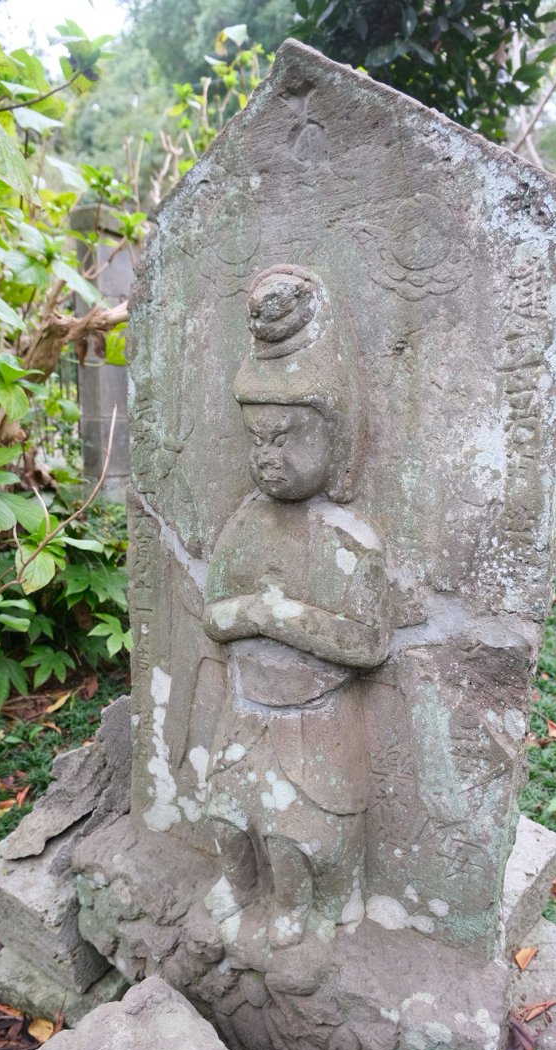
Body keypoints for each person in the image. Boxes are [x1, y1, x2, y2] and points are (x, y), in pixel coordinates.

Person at [201, 264, 389, 949]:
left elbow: (369, 643)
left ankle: (298, 904)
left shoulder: (348, 539)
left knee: (299, 829)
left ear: (333, 444)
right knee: (227, 813)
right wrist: (251, 610)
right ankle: (236, 885)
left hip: (315, 721)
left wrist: (285, 619)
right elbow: (215, 614)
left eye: (286, 439)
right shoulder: (246, 524)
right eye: (258, 440)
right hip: (247, 708)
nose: (267, 458)